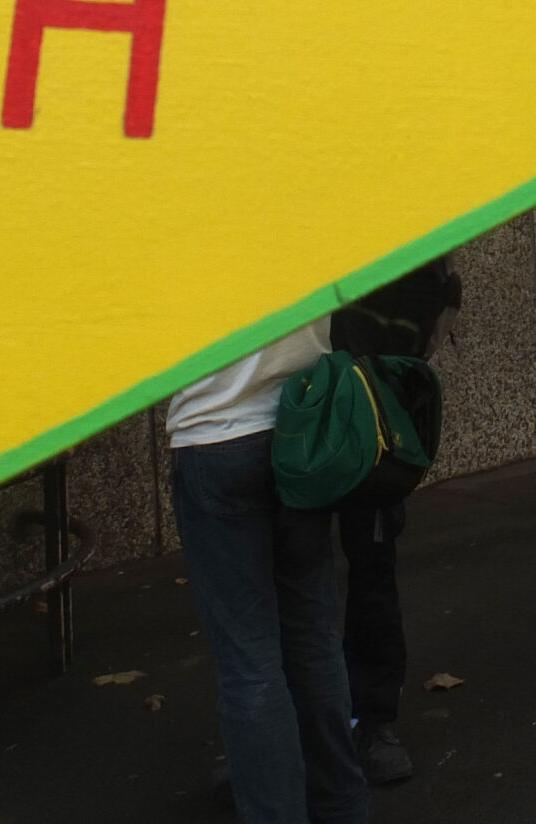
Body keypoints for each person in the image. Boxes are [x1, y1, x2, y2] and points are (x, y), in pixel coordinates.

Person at [168, 324, 370, 824]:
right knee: (314, 640)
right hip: (301, 425)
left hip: (213, 431)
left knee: (249, 661)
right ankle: (344, 809)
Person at [329, 257, 463, 788]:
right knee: (300, 572)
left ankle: (372, 719)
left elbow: (432, 314)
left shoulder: (419, 258)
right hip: (316, 400)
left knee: (371, 571)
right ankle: (286, 723)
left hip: (373, 412)